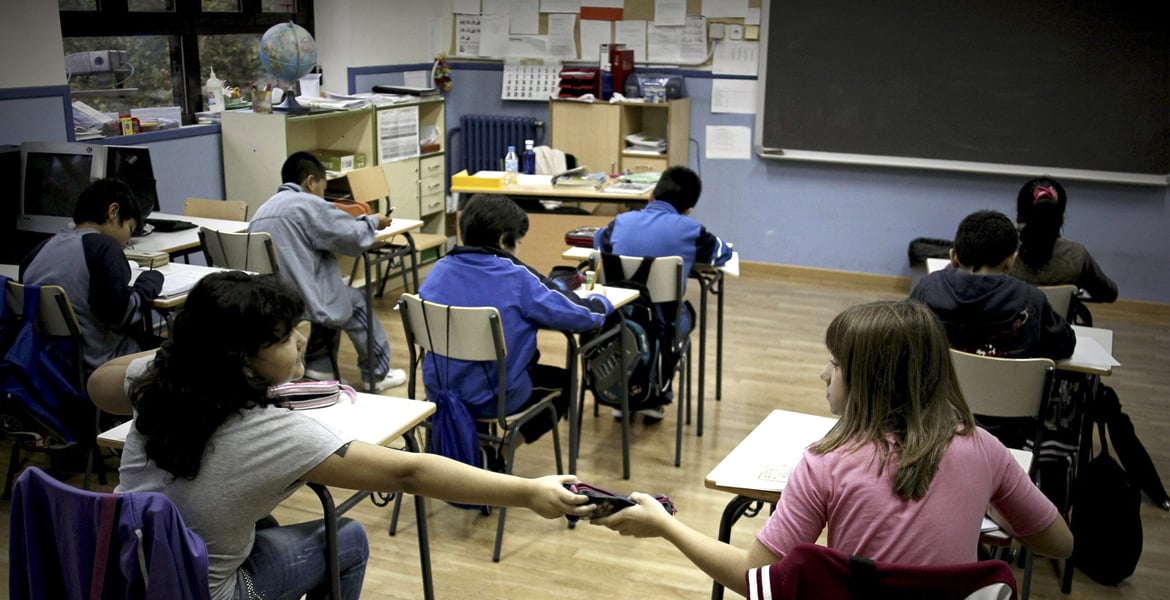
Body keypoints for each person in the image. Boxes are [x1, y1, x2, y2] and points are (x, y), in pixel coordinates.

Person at [86, 271, 596, 600]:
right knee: (347, 538)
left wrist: (185, 348)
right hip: (203, 591)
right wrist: (529, 491)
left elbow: (98, 386)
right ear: (241, 357)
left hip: (124, 572)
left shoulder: (162, 382)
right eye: (285, 337)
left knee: (262, 518)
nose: (300, 339)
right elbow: (410, 472)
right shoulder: (274, 433)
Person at [590, 300, 1073, 596]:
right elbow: (1060, 544)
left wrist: (666, 526)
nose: (823, 373)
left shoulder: (825, 463)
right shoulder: (985, 449)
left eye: (836, 364)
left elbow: (755, 578)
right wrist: (989, 500)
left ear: (869, 380)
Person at [417, 194, 613, 459]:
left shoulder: (437, 271)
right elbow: (581, 316)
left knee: (469, 370)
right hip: (494, 398)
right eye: (518, 242)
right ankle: (504, 452)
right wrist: (601, 302)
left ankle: (478, 447)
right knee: (564, 382)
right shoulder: (518, 278)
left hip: (439, 391)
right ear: (503, 241)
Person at [248, 151, 405, 391]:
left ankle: (319, 370)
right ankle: (377, 373)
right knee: (354, 301)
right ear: (311, 181)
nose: (323, 194)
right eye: (323, 187)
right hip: (301, 299)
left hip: (268, 300)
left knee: (333, 294)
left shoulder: (262, 210)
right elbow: (353, 236)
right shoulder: (308, 204)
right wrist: (374, 221)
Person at [593, 165, 734, 419]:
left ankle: (623, 393)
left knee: (641, 323)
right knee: (686, 316)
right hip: (664, 322)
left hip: (616, 318)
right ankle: (655, 392)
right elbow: (722, 254)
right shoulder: (691, 230)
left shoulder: (620, 222)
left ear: (651, 195)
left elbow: (598, 243)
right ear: (689, 208)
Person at [20, 177, 163, 375]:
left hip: (49, 367)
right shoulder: (104, 247)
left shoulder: (38, 252)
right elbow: (122, 315)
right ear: (113, 212)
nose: (127, 241)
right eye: (129, 229)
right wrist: (150, 282)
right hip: (101, 364)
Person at [910, 209, 1075, 360]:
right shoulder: (1031, 299)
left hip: (940, 383)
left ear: (953, 257)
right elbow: (1065, 345)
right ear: (1010, 262)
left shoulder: (927, 288)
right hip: (1009, 383)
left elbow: (904, 337)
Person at [1010, 176, 1118, 303]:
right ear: (1062, 218)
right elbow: (1109, 294)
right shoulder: (1077, 255)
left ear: (1018, 216)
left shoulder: (1001, 251)